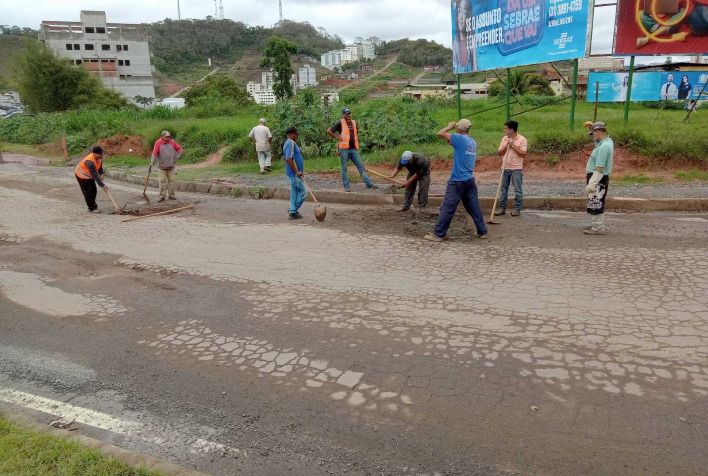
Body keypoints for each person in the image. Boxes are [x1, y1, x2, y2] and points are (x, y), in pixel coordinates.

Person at [424, 119, 487, 242]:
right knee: (474, 207)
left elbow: (440, 134)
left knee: (447, 207)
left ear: (458, 129)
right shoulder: (472, 142)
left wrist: (449, 126)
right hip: (469, 180)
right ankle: (482, 231)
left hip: (457, 181)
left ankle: (439, 234)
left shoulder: (459, 138)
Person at [326, 108, 377, 192]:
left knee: (360, 166)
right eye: (346, 114)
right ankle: (346, 186)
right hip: (344, 150)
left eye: (349, 113)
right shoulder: (340, 123)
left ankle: (368, 183)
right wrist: (337, 138)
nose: (348, 115)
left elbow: (353, 135)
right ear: (343, 115)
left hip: (353, 150)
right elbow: (329, 131)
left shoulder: (354, 123)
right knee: (344, 168)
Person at [584, 122, 614, 235]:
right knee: (594, 201)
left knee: (595, 201)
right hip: (599, 177)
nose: (592, 136)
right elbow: (597, 141)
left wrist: (592, 183)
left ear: (599, 132)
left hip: (598, 177)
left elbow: (600, 167)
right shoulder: (607, 141)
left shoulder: (603, 147)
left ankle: (598, 228)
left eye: (593, 133)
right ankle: (596, 225)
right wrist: (592, 125)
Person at [494, 120, 527, 217]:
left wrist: (513, 145)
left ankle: (517, 209)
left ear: (511, 130)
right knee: (503, 189)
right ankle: (502, 208)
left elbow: (523, 154)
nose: (505, 130)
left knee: (517, 189)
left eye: (506, 129)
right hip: (505, 168)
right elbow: (500, 153)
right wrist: (507, 145)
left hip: (516, 169)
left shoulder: (522, 139)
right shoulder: (504, 138)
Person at [150, 130, 183, 202]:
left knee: (171, 181)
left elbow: (179, 149)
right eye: (167, 137)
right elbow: (155, 153)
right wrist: (152, 162)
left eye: (169, 137)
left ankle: (171, 195)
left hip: (171, 166)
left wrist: (175, 159)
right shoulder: (158, 143)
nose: (168, 138)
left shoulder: (172, 142)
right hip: (162, 167)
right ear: (162, 137)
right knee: (162, 181)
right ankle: (162, 196)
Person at [283, 126, 307, 220]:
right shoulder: (290, 143)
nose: (297, 135)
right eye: (295, 134)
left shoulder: (289, 143)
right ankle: (293, 210)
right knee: (303, 191)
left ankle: (292, 211)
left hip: (293, 173)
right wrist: (296, 171)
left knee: (295, 192)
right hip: (293, 173)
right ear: (290, 134)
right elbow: (289, 158)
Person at [75, 146, 107, 213]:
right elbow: (95, 175)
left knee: (94, 190)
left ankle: (93, 206)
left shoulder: (99, 158)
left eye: (102, 153)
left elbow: (100, 166)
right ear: (94, 153)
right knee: (88, 192)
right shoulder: (89, 161)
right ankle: (92, 208)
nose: (102, 155)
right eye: (100, 154)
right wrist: (103, 185)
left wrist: (102, 173)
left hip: (88, 175)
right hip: (82, 176)